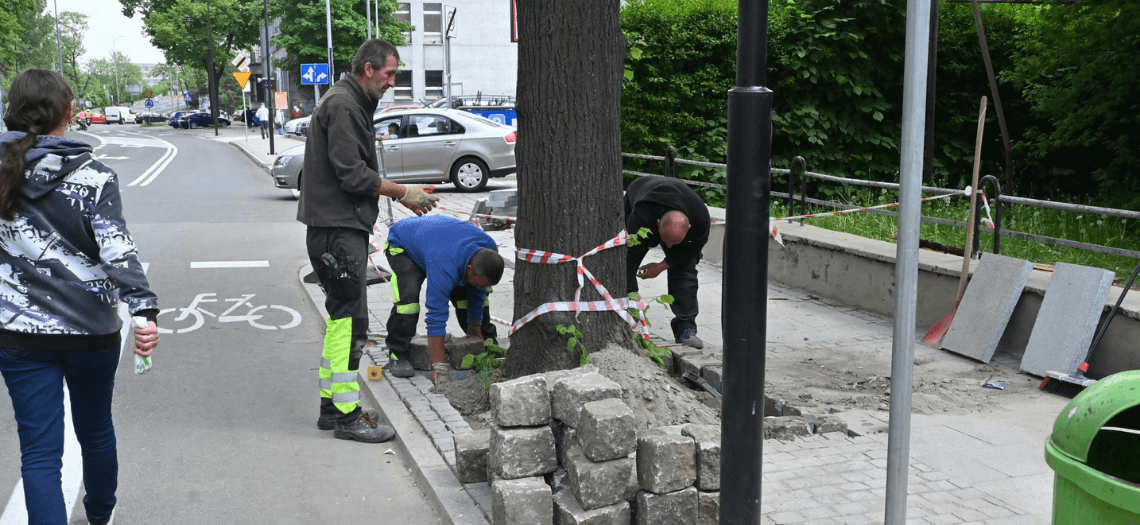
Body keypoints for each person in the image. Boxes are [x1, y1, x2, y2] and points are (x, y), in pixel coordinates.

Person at [0, 68, 160, 525]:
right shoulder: (95, 177)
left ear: (11, 111)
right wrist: (144, 310)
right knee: (95, 432)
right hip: (92, 331)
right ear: (69, 112)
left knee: (39, 454)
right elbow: (117, 250)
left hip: (20, 336)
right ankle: (99, 516)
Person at [297, 38, 440, 443]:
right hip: (338, 230)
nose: (393, 82)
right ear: (369, 69)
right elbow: (351, 174)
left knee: (343, 323)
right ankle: (346, 416)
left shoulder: (349, 101)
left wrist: (402, 193)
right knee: (352, 324)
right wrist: (402, 192)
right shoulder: (344, 104)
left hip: (336, 228)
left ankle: (331, 408)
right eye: (390, 74)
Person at [383, 215, 504, 385]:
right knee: (408, 303)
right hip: (403, 245)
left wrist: (474, 326)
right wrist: (439, 366)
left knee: (470, 294)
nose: (479, 287)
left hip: (439, 243)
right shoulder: (444, 266)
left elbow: (479, 293)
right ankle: (398, 353)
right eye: (478, 283)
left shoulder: (488, 250)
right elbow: (436, 315)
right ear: (470, 269)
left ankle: (488, 342)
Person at [624, 176, 711, 349]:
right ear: (658, 224)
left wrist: (662, 266)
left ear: (689, 227)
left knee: (685, 273)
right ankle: (629, 318)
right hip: (640, 193)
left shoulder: (700, 219)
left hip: (679, 212)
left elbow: (689, 252)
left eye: (674, 243)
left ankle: (685, 329)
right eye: (666, 241)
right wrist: (631, 289)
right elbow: (630, 256)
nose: (669, 247)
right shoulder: (643, 214)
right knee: (626, 266)